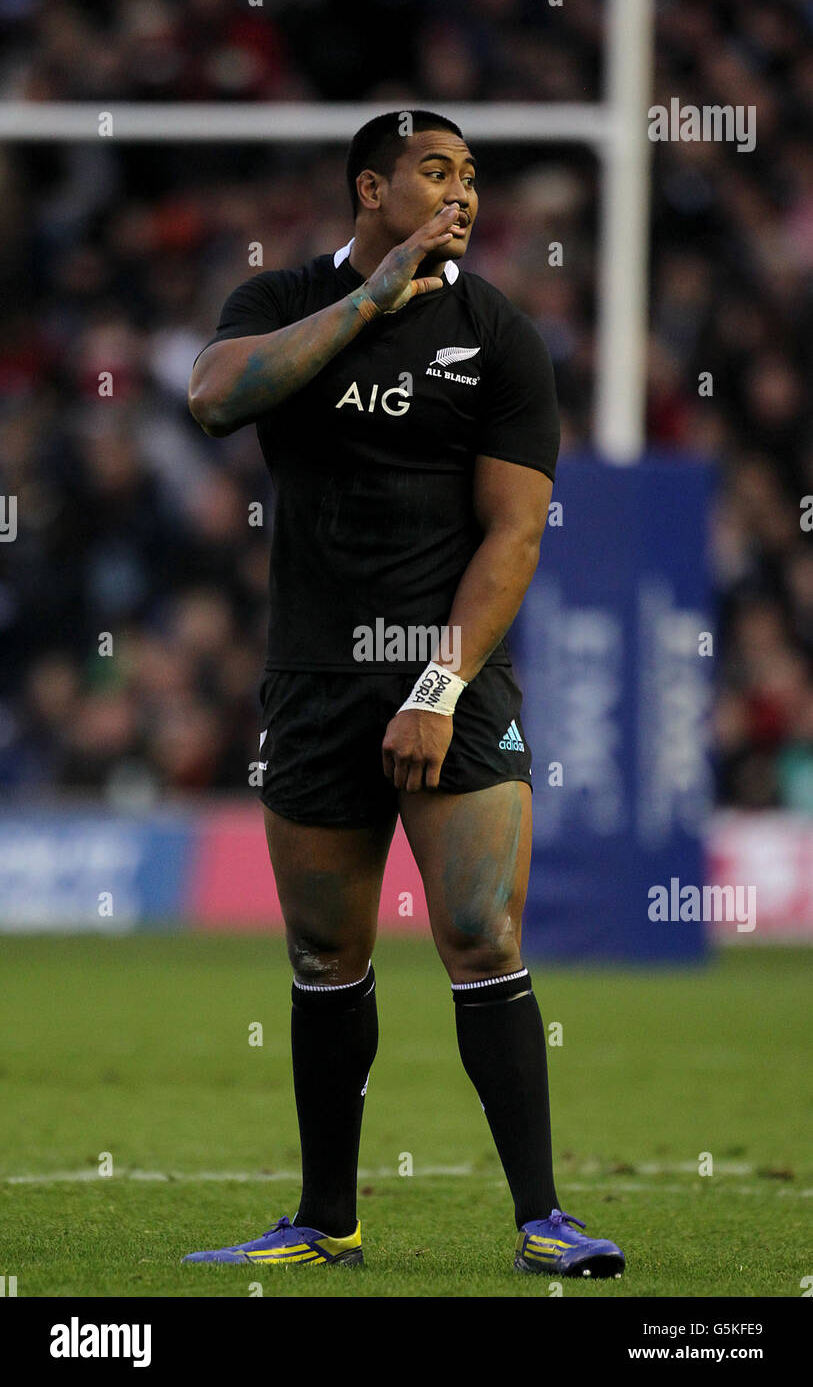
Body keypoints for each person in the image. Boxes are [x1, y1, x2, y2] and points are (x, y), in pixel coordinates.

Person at [182, 110, 624, 1279]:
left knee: (481, 934)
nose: (462, 193)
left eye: (472, 176)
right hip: (314, 676)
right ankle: (328, 1220)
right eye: (437, 171)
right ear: (370, 186)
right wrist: (372, 299)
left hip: (453, 679)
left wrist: (437, 683)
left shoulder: (500, 334)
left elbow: (516, 531)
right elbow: (217, 399)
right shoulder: (278, 302)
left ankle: (545, 1218)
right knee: (327, 952)